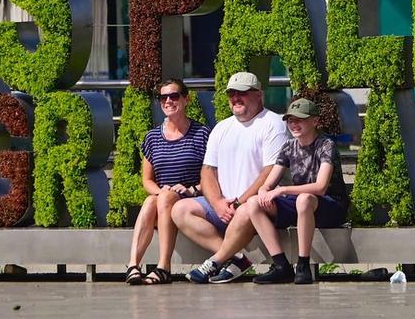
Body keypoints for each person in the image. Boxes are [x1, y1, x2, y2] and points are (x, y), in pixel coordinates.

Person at [172, 71, 289, 284]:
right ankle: (236, 258)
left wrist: (238, 202)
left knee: (248, 208)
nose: (236, 98)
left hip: (257, 206)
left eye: (242, 93)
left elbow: (270, 171)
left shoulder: (274, 124)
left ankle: (216, 260)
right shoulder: (221, 127)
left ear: (259, 94)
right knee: (180, 209)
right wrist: (217, 203)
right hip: (225, 207)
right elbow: (208, 170)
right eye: (231, 93)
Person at [247, 97, 348, 284]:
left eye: (299, 119)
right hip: (301, 205)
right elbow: (268, 184)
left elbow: (320, 187)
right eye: (290, 120)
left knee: (304, 199)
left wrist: (282, 190)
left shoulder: (326, 145)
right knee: (253, 204)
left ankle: (303, 265)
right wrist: (263, 191)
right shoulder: (288, 146)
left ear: (315, 121)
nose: (294, 124)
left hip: (330, 206)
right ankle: (281, 266)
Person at [125, 78, 210, 285]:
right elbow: (147, 180)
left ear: (186, 99)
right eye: (163, 97)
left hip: (191, 200)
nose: (168, 101)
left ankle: (164, 266)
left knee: (161, 199)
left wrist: (192, 189)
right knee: (151, 200)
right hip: (164, 200)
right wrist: (161, 191)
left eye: (174, 96)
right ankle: (133, 264)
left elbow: (213, 178)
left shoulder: (202, 134)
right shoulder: (152, 137)